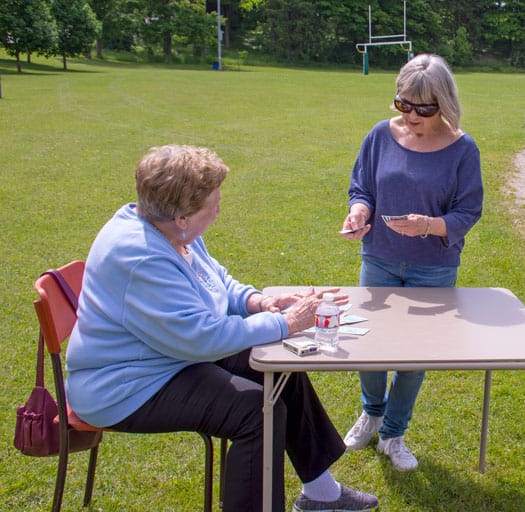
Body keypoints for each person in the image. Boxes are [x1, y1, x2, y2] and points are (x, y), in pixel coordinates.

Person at [65, 145, 378, 512]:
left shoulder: (169, 227)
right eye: (214, 202)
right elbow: (202, 338)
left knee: (282, 372)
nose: (219, 207)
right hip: (123, 386)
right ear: (182, 216)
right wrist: (285, 322)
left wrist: (259, 303)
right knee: (257, 414)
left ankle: (321, 494)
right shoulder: (142, 255)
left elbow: (216, 281)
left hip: (164, 359)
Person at [340, 54, 483, 472]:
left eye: (424, 108)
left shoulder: (462, 148)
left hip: (433, 268)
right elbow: (361, 186)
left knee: (414, 355)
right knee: (370, 345)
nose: (412, 116)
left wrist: (429, 225)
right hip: (379, 259)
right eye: (404, 104)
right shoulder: (380, 136)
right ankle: (372, 412)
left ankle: (393, 433)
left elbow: (468, 211)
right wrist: (359, 213)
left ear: (444, 104)